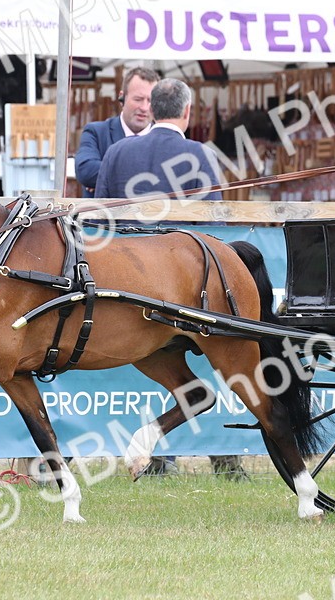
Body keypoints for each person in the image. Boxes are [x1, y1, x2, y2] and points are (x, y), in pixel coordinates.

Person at [94, 79, 246, 480]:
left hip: (122, 282)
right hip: (185, 285)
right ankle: (225, 458)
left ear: (153, 108)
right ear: (186, 112)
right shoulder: (196, 153)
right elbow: (212, 219)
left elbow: (100, 216)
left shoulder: (117, 151)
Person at [74, 67, 159, 198]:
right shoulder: (96, 133)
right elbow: (86, 172)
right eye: (138, 99)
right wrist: (150, 176)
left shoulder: (164, 139)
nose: (144, 107)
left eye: (150, 101)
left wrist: (103, 179)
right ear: (122, 98)